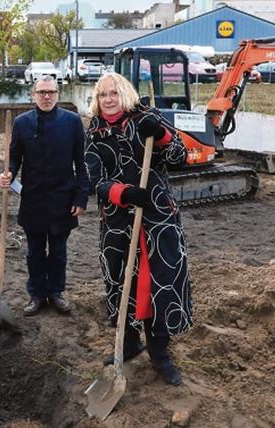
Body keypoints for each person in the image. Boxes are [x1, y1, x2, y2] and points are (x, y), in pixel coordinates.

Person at [84, 73, 193, 386]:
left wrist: (160, 134)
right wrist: (123, 193)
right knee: (120, 282)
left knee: (157, 283)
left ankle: (160, 355)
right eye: (102, 94)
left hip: (157, 219)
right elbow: (94, 180)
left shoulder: (146, 118)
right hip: (117, 222)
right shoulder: (94, 131)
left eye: (113, 93)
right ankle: (130, 343)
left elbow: (180, 156)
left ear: (124, 93)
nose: (108, 99)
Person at [0, 76, 89, 316]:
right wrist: (9, 173)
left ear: (58, 94)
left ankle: (56, 292)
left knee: (58, 252)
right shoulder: (22, 123)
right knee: (35, 252)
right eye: (41, 92)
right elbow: (15, 156)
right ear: (33, 95)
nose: (46, 96)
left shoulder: (72, 122)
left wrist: (81, 197)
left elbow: (81, 163)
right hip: (33, 198)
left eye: (51, 92)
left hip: (63, 198)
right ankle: (37, 294)